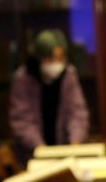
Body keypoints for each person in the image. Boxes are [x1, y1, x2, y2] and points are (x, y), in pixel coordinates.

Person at [8, 29, 90, 164]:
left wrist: (75, 141)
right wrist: (41, 150)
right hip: (31, 156)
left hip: (64, 153)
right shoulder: (23, 79)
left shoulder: (68, 75)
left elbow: (77, 112)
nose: (55, 63)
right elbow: (22, 120)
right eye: (50, 59)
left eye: (59, 58)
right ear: (39, 58)